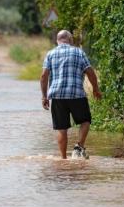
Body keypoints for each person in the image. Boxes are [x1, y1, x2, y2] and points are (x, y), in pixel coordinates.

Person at [40, 30, 101, 160]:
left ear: (57, 40)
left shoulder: (50, 54)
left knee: (61, 128)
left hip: (57, 96)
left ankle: (63, 159)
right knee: (85, 121)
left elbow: (44, 76)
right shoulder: (78, 52)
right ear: (70, 40)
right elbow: (90, 72)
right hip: (76, 94)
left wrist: (44, 96)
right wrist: (96, 89)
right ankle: (78, 147)